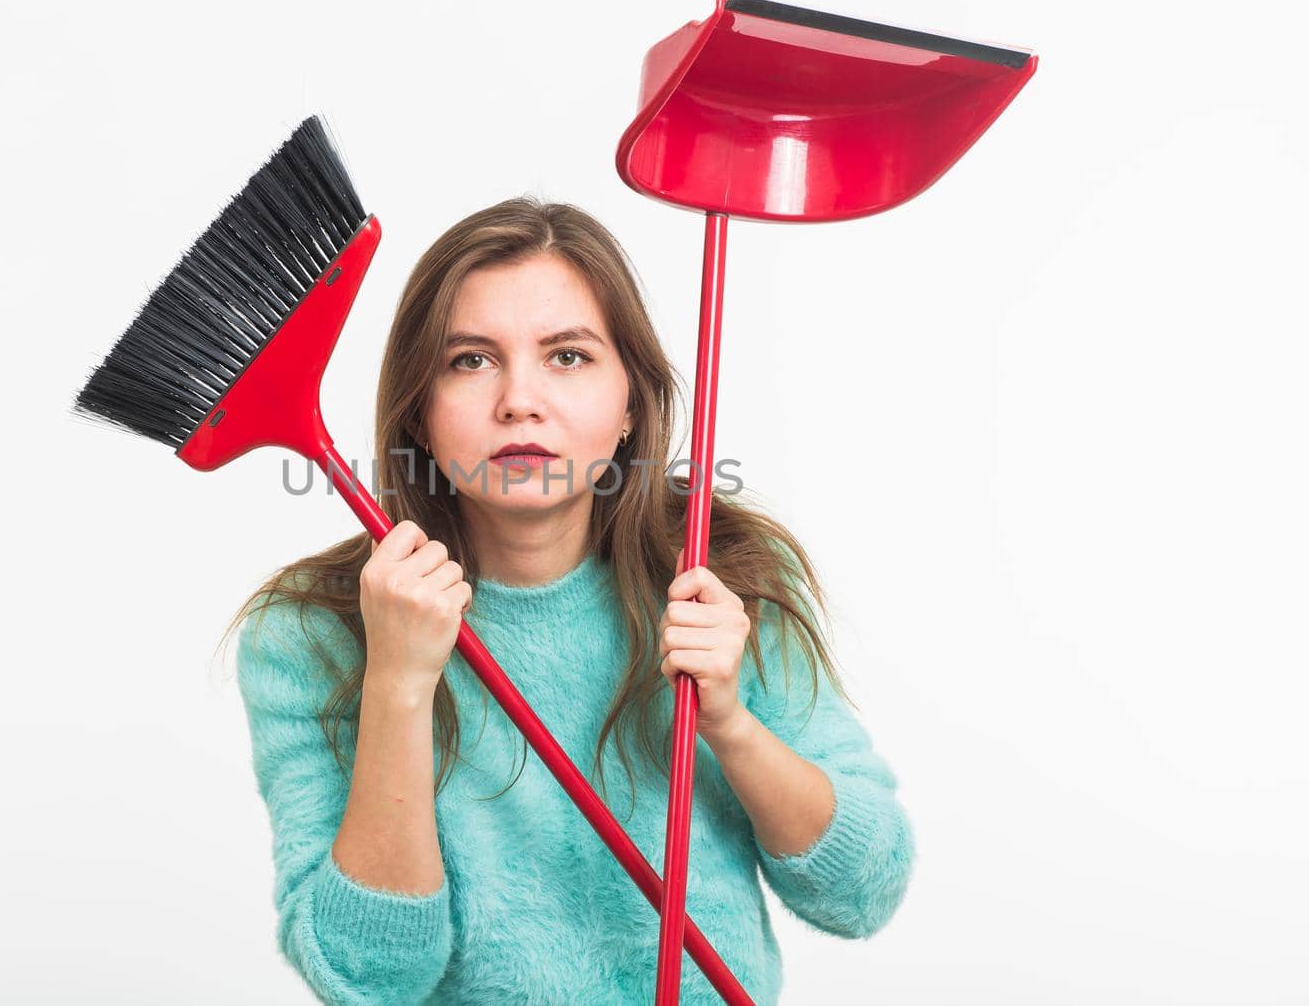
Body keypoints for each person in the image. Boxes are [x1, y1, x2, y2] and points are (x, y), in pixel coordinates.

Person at [228, 197, 914, 1004]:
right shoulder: (309, 632)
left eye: (568, 356)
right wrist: (399, 685)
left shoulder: (726, 571)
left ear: (629, 403)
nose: (519, 399)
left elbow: (863, 890)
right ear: (419, 409)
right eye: (470, 360)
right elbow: (368, 975)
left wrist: (729, 717)